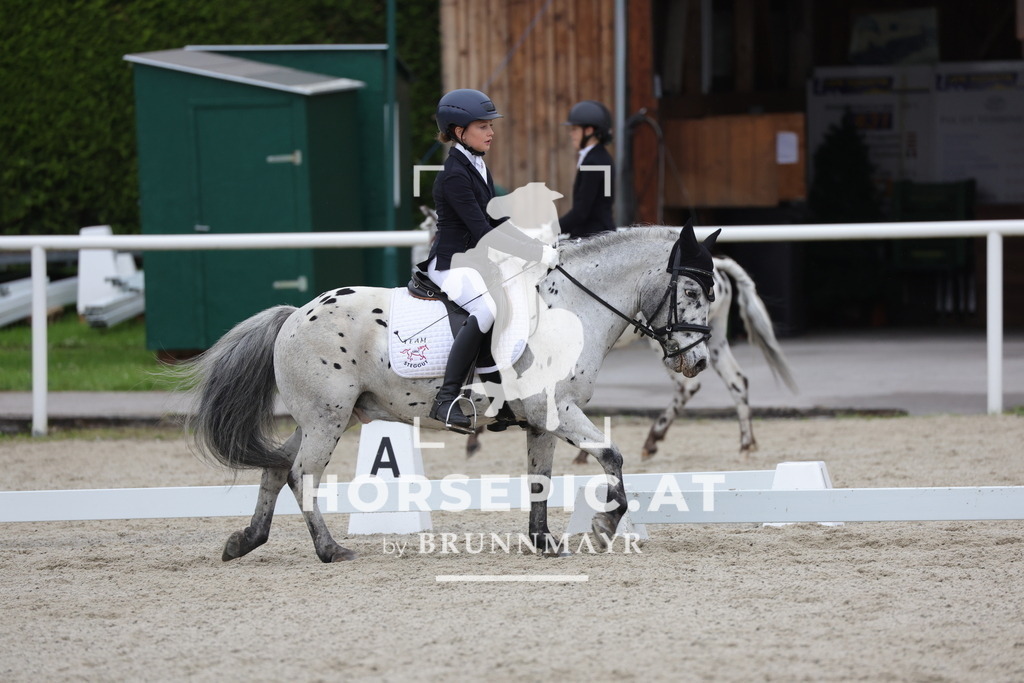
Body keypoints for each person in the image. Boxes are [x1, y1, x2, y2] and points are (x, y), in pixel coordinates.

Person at [422, 89, 558, 431]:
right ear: (459, 132)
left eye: (490, 125)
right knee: (486, 310)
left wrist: (537, 245)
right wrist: (535, 253)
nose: (491, 132)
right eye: (482, 126)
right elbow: (483, 231)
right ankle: (445, 399)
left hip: (474, 262)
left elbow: (496, 220)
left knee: (512, 303)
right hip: (451, 263)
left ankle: (499, 402)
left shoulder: (477, 166)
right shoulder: (454, 175)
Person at [558, 100, 615, 239]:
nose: (571, 134)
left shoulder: (593, 163)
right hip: (605, 232)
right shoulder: (604, 158)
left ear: (589, 130)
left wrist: (553, 229)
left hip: (591, 237)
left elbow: (581, 212)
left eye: (575, 129)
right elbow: (604, 201)